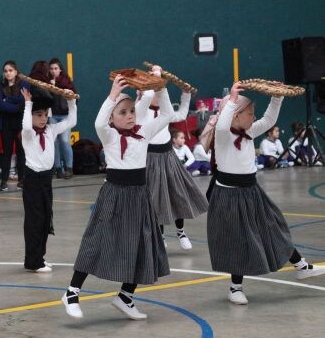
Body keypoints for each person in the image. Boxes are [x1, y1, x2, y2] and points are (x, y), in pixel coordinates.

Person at [61, 75, 173, 321]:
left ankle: (126, 296)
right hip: (114, 194)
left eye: (132, 110)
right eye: (122, 112)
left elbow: (167, 116)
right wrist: (112, 95)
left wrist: (161, 90)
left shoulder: (144, 131)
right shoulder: (109, 135)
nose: (130, 115)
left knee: (140, 245)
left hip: (139, 195)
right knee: (97, 240)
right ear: (112, 117)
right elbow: (99, 122)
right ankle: (72, 292)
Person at [205, 84, 325, 305]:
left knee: (272, 225)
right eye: (249, 113)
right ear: (235, 116)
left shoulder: (249, 132)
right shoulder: (222, 135)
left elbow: (269, 120)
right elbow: (222, 123)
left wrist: (276, 98)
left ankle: (300, 265)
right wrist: (231, 99)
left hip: (252, 191)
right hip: (229, 195)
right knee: (238, 239)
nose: (254, 117)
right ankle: (235, 287)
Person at [139, 70, 208, 251]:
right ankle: (160, 234)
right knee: (156, 198)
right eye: (156, 92)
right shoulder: (140, 111)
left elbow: (182, 114)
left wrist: (186, 94)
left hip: (168, 157)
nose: (159, 95)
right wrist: (151, 82)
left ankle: (181, 231)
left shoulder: (165, 111)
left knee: (177, 193)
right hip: (151, 159)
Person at [19, 88, 77, 272]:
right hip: (32, 179)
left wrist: (71, 102)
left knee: (45, 219)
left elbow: (72, 121)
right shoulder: (28, 134)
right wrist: (28, 104)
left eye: (45, 114)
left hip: (46, 179)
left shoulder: (50, 130)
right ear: (31, 115)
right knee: (34, 221)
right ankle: (33, 261)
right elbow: (27, 126)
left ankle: (39, 258)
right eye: (39, 115)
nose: (43, 118)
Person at [0, 61, 25, 191]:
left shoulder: (23, 84)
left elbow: (23, 102)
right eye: (5, 71)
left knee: (21, 152)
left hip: (21, 123)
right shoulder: (0, 86)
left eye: (10, 70)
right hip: (6, 124)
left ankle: (22, 180)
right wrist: (15, 106)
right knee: (6, 153)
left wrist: (9, 101)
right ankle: (3, 181)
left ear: (16, 72)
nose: (8, 73)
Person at [48, 58, 77, 179]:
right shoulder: (47, 82)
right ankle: (58, 168)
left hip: (65, 115)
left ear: (60, 69)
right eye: (51, 69)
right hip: (53, 115)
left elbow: (74, 95)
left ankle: (69, 168)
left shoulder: (66, 81)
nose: (53, 71)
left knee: (65, 141)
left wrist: (57, 84)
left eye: (56, 68)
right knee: (54, 143)